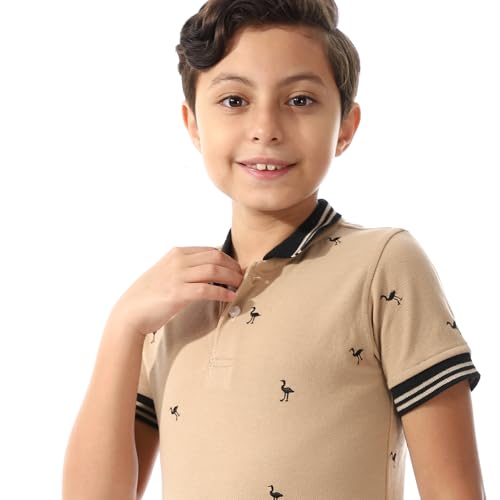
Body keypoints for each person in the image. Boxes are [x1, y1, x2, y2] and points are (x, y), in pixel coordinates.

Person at [62, 0, 486, 498]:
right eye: (234, 100)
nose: (266, 127)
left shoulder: (383, 265)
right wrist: (124, 326)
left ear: (346, 127)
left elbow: (454, 491)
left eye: (300, 100)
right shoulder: (172, 304)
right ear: (193, 125)